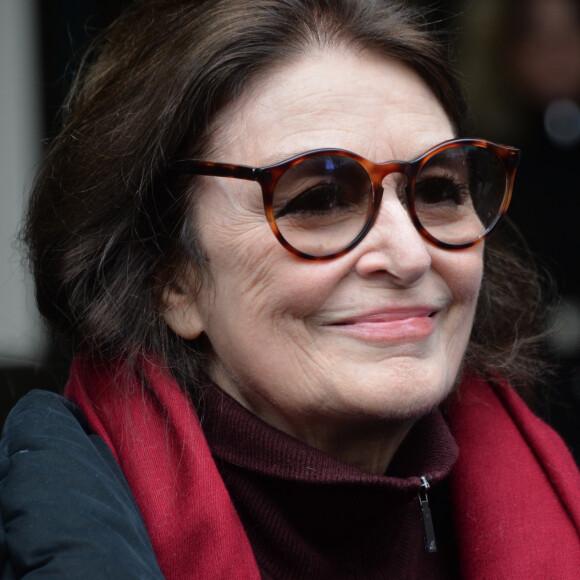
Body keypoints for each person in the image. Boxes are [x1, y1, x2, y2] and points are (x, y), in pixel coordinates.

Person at [1, 0, 579, 578]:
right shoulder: (63, 529)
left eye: (438, 191)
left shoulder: (552, 484)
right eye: (320, 200)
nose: (408, 256)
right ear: (171, 278)